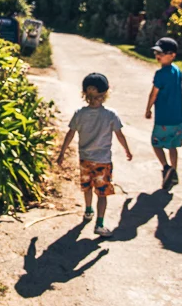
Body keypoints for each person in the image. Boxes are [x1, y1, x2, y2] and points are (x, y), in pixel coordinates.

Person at [57, 73, 133, 237]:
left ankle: (88, 211)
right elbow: (120, 135)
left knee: (87, 187)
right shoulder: (110, 115)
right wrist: (127, 150)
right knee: (103, 193)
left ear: (85, 94)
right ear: (105, 93)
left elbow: (70, 134)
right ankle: (99, 224)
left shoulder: (79, 114)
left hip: (85, 160)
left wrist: (62, 153)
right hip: (102, 162)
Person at [145, 37, 182, 190]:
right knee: (173, 146)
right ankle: (173, 171)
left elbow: (153, 94)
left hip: (163, 118)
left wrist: (148, 109)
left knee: (156, 143)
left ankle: (166, 167)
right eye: (157, 53)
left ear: (172, 55)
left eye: (161, 53)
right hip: (178, 118)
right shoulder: (177, 71)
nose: (158, 56)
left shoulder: (160, 74)